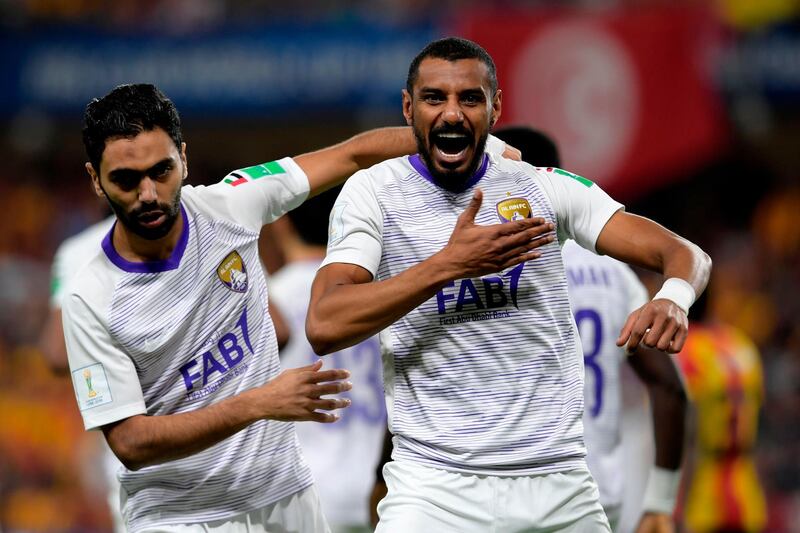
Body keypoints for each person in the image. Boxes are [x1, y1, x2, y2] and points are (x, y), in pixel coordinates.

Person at [306, 37, 711, 532]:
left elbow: (685, 255)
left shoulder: (543, 186)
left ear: (495, 107)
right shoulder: (374, 193)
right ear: (408, 108)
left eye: (469, 99)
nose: (452, 114)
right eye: (434, 98)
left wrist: (673, 297)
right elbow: (325, 323)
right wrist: (449, 264)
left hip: (559, 487)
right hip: (433, 491)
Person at [62, 82, 424, 532]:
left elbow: (354, 154)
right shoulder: (90, 298)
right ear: (96, 179)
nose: (150, 193)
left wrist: (479, 146)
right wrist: (258, 403)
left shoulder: (231, 203)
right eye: (126, 179)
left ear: (184, 158)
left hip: (286, 496)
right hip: (178, 518)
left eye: (162, 170)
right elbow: (131, 442)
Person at [498, 128, 688, 532]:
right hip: (600, 495)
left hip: (516, 489)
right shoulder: (613, 272)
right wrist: (659, 503)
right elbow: (669, 388)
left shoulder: (495, 265)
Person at [269, 192, 386, 533]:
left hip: (302, 493)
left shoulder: (270, 300)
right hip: (381, 490)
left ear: (282, 223)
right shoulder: (378, 297)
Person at [675, 293, 767, 533]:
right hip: (746, 492)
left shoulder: (685, 349)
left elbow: (683, 431)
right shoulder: (741, 344)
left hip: (702, 496)